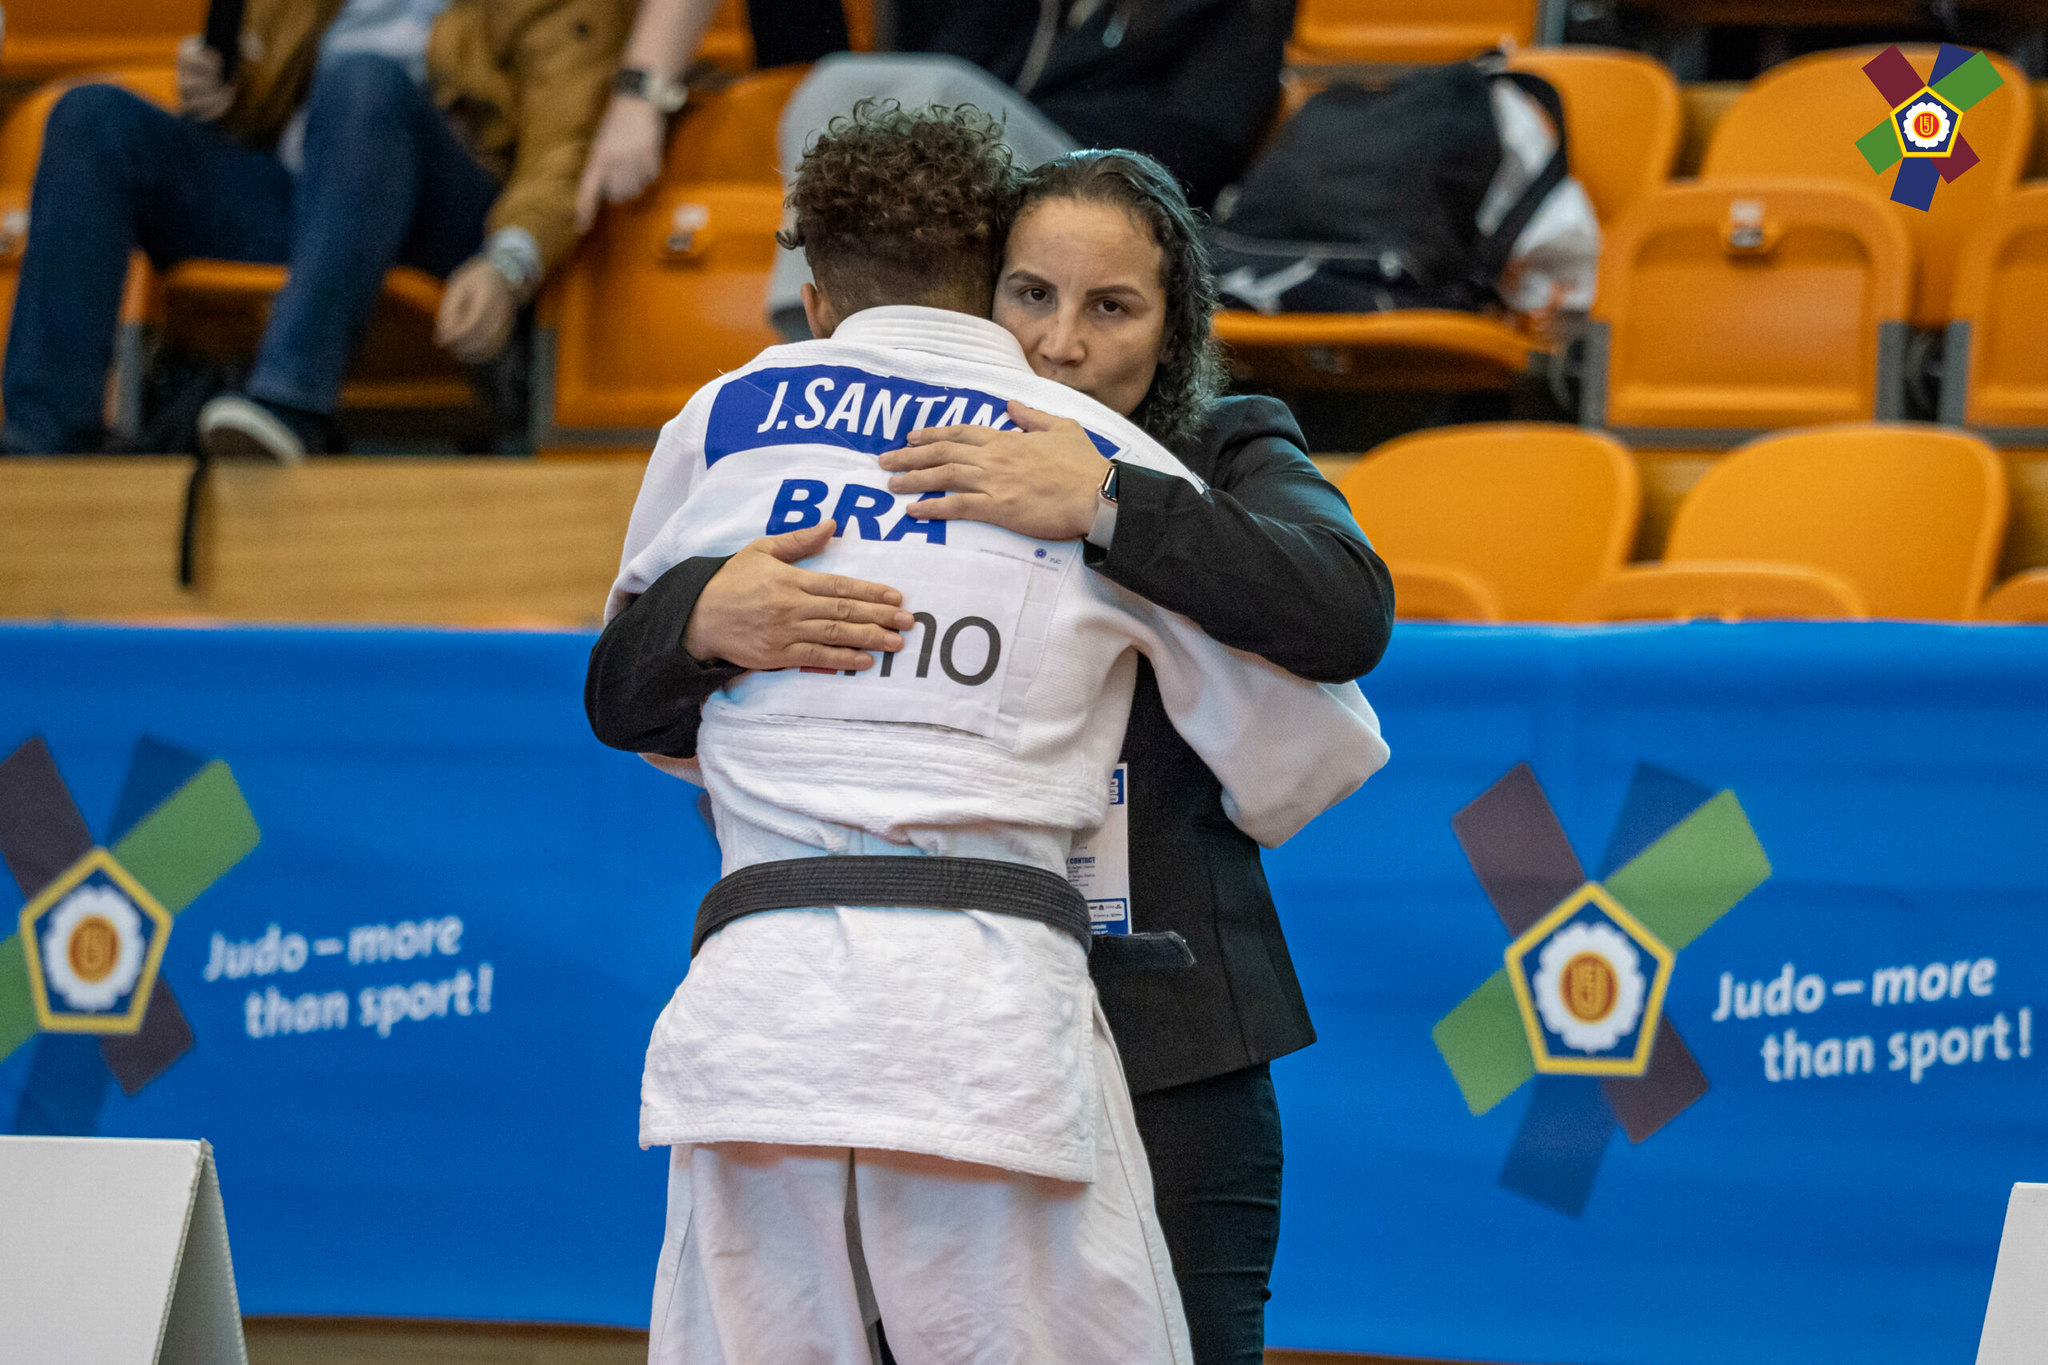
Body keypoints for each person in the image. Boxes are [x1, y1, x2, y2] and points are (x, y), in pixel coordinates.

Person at [601, 103, 1386, 1364]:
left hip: (1161, 1036)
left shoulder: (1221, 450)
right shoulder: (845, 446)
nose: (1062, 345)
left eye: (1111, 308)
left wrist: (1104, 498)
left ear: (1171, 323)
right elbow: (622, 699)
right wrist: (703, 613)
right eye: (1030, 293)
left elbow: (1344, 611)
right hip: (898, 1026)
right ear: (977, 299)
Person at [0, 0, 625, 460]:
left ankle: (286, 407)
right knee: (91, 117)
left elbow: (565, 148)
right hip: (312, 206)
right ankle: (43, 439)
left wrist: (508, 261)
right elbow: (270, 111)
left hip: (448, 221)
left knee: (362, 80)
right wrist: (227, 97)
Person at [574, 0, 1294, 332]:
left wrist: (1016, 128)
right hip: (971, 169)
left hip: (1109, 191)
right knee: (833, 82)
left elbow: (1205, 138)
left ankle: (843, 333)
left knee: (938, 91)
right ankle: (820, 325)